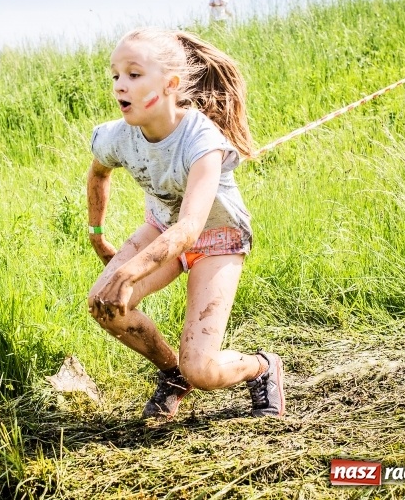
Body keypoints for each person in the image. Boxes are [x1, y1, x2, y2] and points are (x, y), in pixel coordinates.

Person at [86, 28, 284, 420]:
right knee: (105, 305)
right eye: (115, 76)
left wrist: (128, 271)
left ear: (170, 84)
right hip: (162, 229)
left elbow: (191, 228)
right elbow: (98, 175)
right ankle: (173, 374)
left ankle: (261, 366)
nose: (120, 86)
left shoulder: (201, 140)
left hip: (217, 239)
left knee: (205, 369)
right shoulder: (117, 136)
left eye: (134, 74)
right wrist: (97, 235)